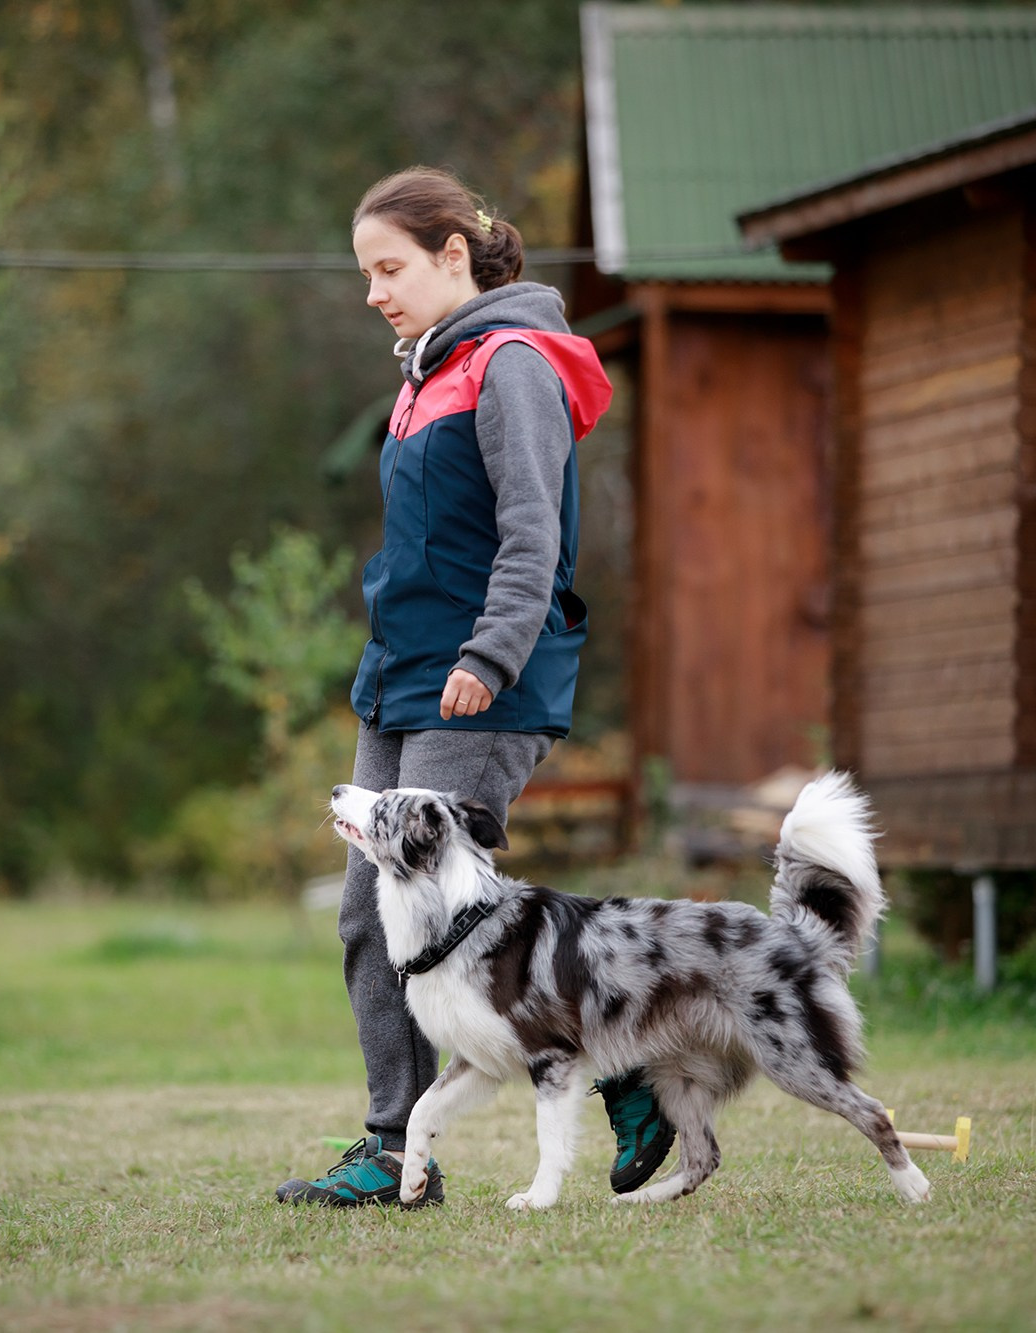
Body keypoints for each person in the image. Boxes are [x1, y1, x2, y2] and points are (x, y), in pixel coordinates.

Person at [275, 167, 670, 1208]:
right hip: (400, 680)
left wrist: (487, 655)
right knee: (379, 918)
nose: (373, 290)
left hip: (480, 678)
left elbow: (532, 534)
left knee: (438, 917)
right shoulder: (424, 372)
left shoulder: (511, 367)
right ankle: (613, 1079)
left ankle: (404, 1141)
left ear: (454, 253)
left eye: (388, 267)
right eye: (365, 272)